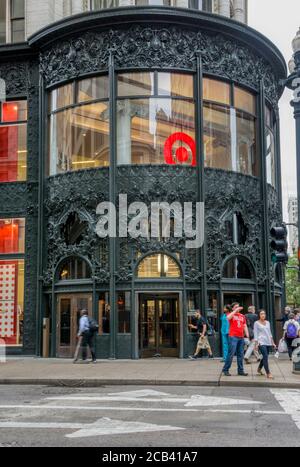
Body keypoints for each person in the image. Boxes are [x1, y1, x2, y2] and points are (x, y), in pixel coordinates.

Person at [222, 303, 249, 377]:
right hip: (233, 337)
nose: (238, 308)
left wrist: (247, 334)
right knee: (231, 353)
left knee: (240, 354)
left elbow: (244, 325)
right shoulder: (231, 314)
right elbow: (228, 318)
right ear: (233, 308)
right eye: (236, 307)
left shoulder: (242, 316)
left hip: (241, 337)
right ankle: (225, 369)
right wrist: (235, 311)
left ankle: (240, 370)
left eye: (238, 307)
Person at [254, 310, 276, 380]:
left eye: (264, 314)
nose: (263, 315)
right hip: (261, 342)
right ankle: (268, 373)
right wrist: (256, 344)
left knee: (264, 357)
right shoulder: (256, 323)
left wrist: (273, 342)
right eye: (261, 314)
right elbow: (256, 334)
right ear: (259, 315)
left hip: (268, 341)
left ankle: (259, 369)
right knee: (265, 356)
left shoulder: (268, 322)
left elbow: (269, 333)